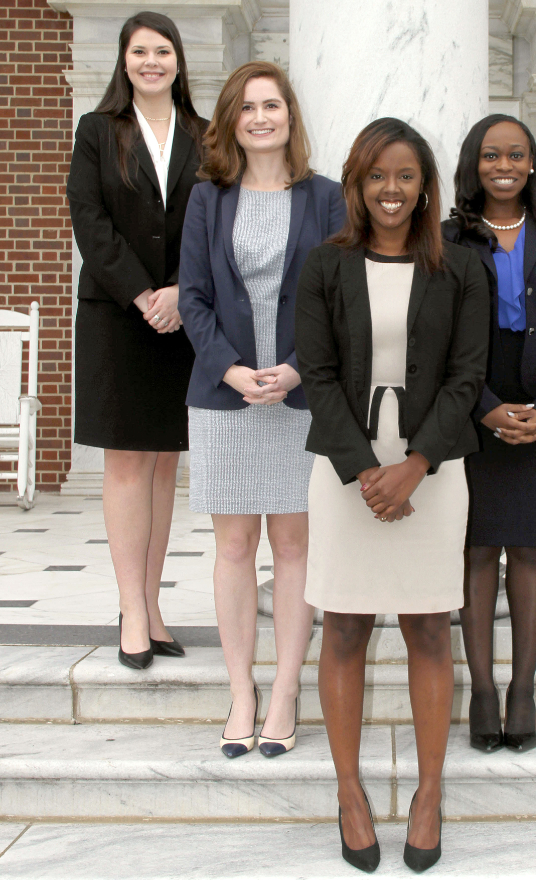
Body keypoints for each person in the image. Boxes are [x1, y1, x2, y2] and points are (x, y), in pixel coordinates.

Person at [296, 118, 488, 873]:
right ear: (357, 183)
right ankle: (349, 793)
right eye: (378, 175)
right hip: (345, 471)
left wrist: (415, 465)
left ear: (426, 186)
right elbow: (315, 375)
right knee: (342, 628)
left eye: (406, 175)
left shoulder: (461, 268)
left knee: (430, 631)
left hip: (433, 473)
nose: (392, 189)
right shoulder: (325, 265)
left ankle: (429, 793)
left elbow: (467, 376)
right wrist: (364, 469)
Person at [178, 62, 345, 759]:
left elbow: (342, 294)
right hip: (226, 398)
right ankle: (241, 689)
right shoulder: (207, 199)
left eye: (272, 104)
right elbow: (193, 297)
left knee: (296, 547)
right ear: (230, 120)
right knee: (236, 548)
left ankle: (285, 690)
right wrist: (234, 370)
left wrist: (300, 368)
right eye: (246, 107)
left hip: (304, 399)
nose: (260, 117)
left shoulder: (327, 197)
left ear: (290, 114)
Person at [442, 115, 536, 753]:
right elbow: (439, 330)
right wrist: (484, 406)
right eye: (491, 154)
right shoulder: (449, 237)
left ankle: (522, 690)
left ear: (532, 163)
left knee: (531, 551)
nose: (504, 164)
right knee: (476, 552)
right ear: (474, 164)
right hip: (475, 415)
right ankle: (480, 689)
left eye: (517, 154)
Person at [67, 12, 206, 670]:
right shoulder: (98, 131)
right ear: (124, 61)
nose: (152, 61)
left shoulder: (204, 136)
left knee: (163, 464)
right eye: (140, 51)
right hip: (119, 315)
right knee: (125, 464)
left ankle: (153, 607)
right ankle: (130, 609)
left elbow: (210, 220)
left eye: (163, 50)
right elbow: (89, 220)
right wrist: (143, 294)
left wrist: (181, 290)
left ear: (179, 61)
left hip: (182, 318)